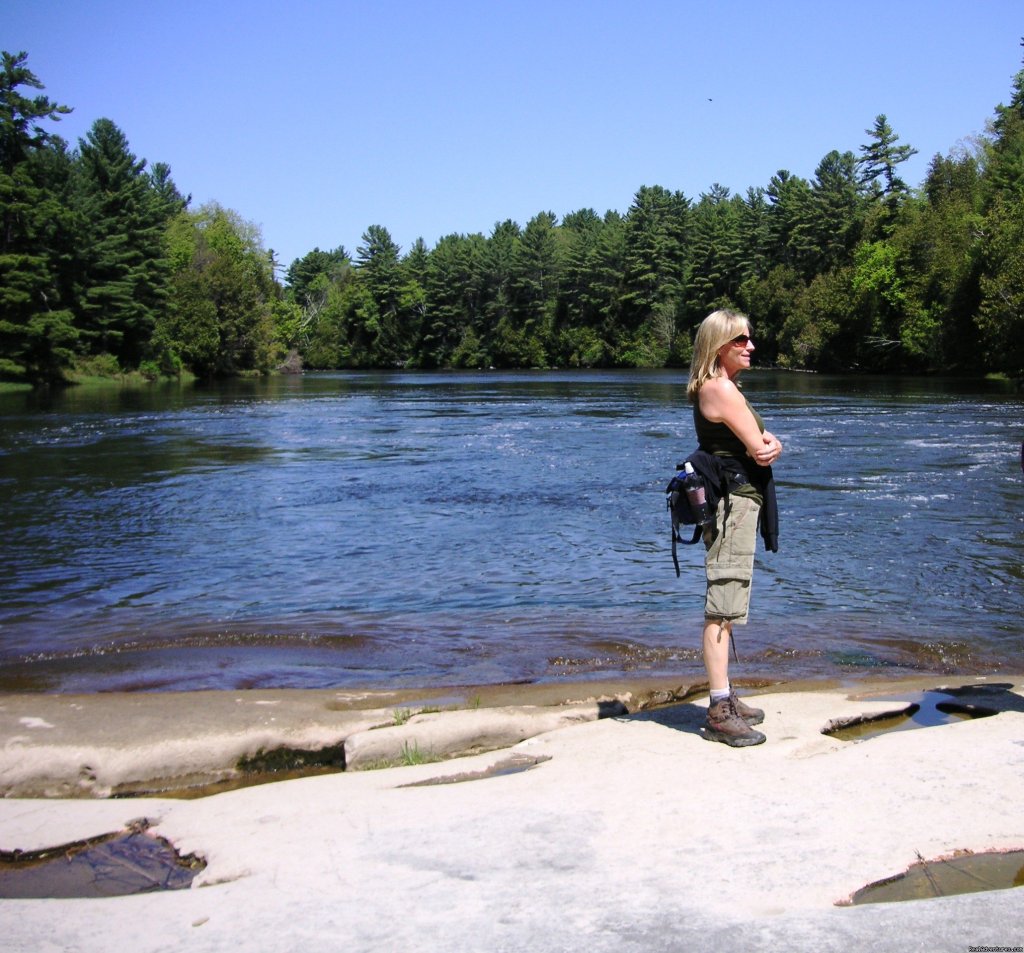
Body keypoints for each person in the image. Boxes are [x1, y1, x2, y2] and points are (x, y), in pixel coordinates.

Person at [686, 309, 782, 747]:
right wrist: (770, 445)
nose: (750, 346)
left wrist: (770, 442)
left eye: (749, 338)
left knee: (729, 600)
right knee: (723, 604)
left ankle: (726, 696)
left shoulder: (725, 388)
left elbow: (762, 442)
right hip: (734, 505)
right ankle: (719, 709)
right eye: (741, 340)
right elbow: (760, 450)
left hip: (737, 501)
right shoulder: (720, 388)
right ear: (719, 345)